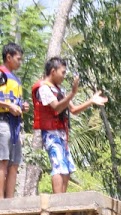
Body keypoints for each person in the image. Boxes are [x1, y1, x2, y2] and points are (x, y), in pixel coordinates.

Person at [32, 57, 108, 194]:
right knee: (58, 165)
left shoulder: (59, 90)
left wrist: (91, 101)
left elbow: (73, 110)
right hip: (50, 133)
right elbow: (56, 108)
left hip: (62, 133)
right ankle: (57, 201)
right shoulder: (44, 88)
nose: (64, 76)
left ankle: (63, 200)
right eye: (63, 72)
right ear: (53, 71)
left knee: (66, 168)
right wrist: (73, 93)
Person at [0, 43, 29, 199]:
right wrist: (8, 105)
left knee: (14, 163)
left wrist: (21, 106)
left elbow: (14, 99)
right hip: (3, 122)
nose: (20, 62)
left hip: (15, 126)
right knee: (2, 161)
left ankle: (10, 201)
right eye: (18, 59)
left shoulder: (16, 79)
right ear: (8, 57)